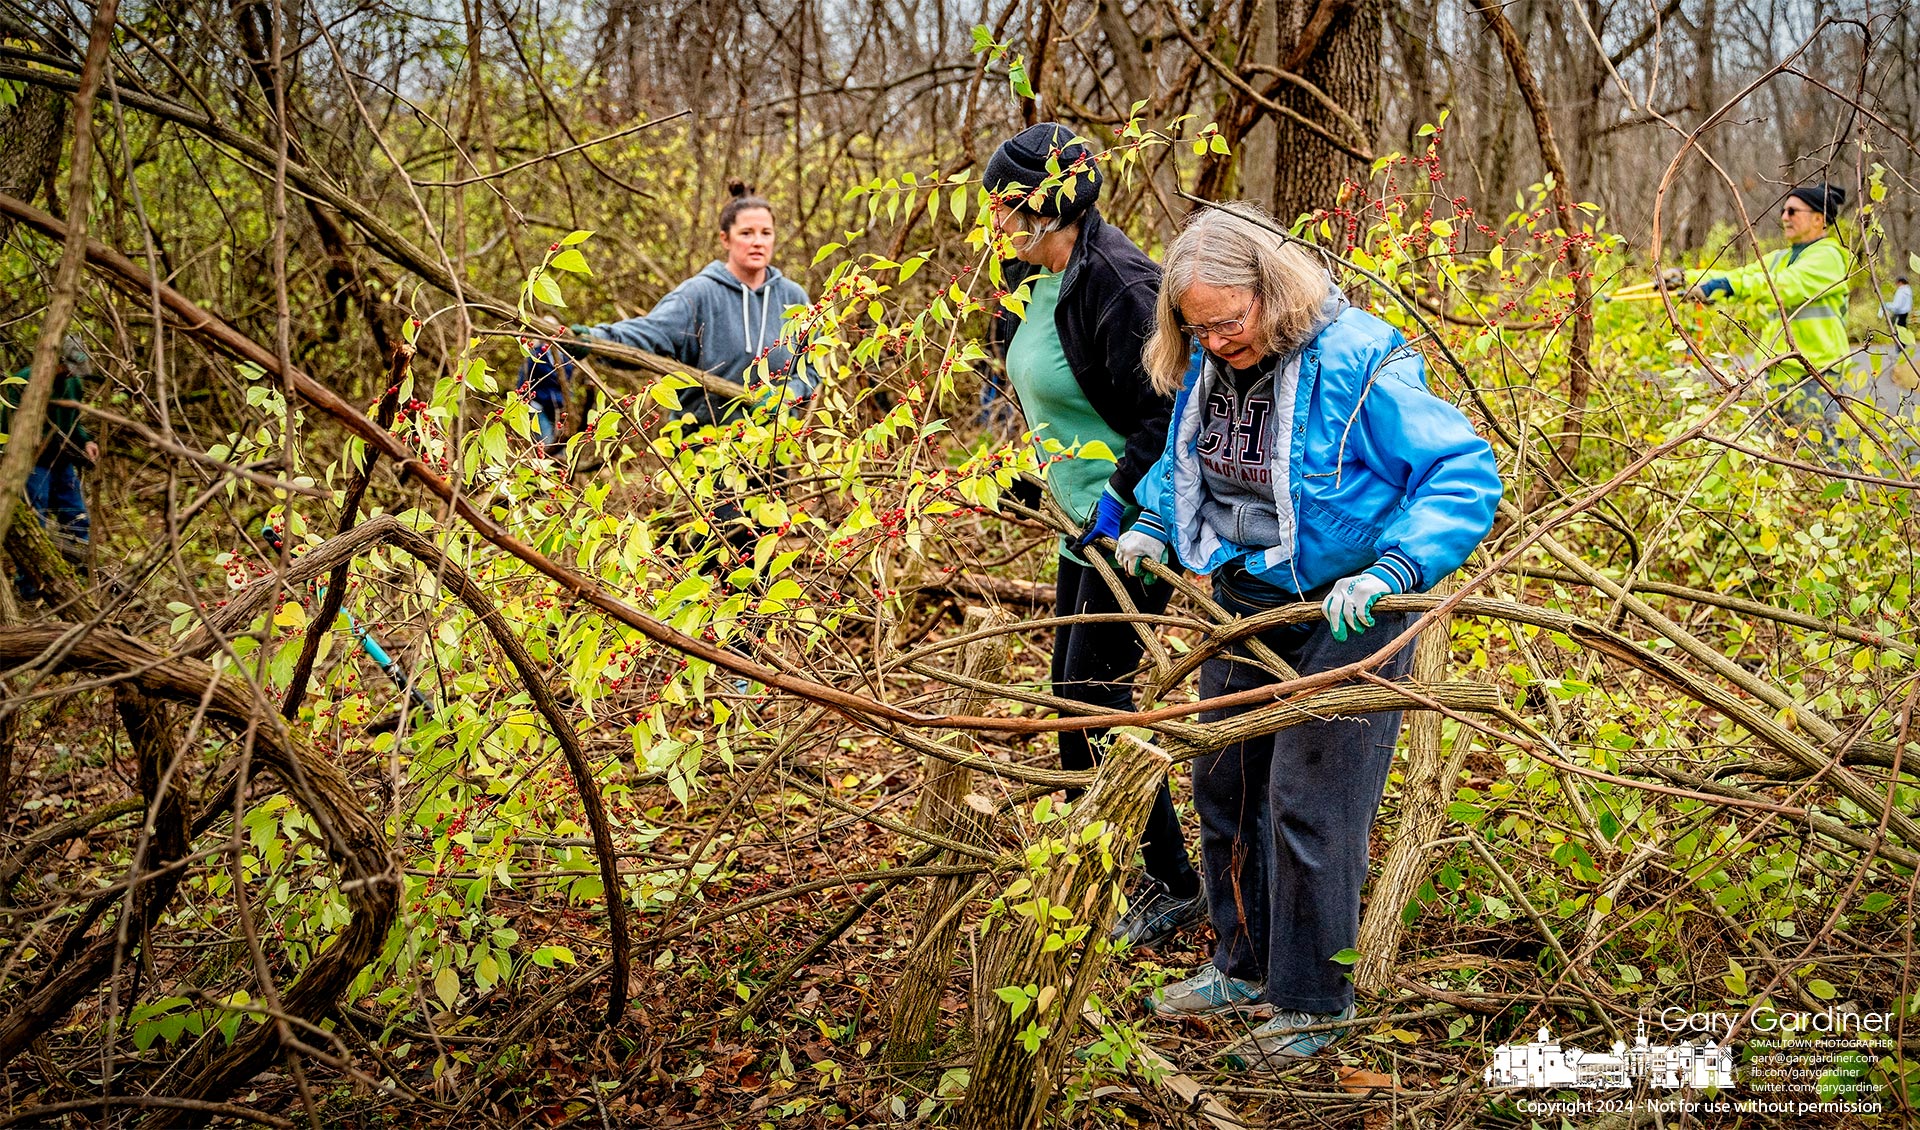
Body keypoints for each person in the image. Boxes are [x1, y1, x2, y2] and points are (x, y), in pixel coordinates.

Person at [1116, 203, 1500, 1065]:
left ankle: (1315, 1000)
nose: (1215, 341)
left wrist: (1394, 569)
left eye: (1228, 321)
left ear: (1270, 290)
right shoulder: (1212, 366)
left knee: (1310, 804)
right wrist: (1153, 524)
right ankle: (1242, 966)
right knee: (1226, 784)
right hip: (1245, 598)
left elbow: (1459, 468)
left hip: (1353, 607)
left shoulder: (1358, 357)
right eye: (1198, 328)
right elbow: (1190, 463)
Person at [983, 122, 1202, 950]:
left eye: (1009, 202)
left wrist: (1118, 497)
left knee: (1094, 702)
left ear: (1051, 201)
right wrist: (1028, 469)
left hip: (1136, 523)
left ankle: (1171, 882)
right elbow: (1038, 383)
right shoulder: (1030, 274)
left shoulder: (1118, 281)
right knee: (1072, 704)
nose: (998, 219)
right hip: (1079, 521)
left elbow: (1166, 413)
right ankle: (1107, 871)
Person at [570, 180, 815, 427]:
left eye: (766, 233)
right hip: (701, 447)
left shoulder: (793, 298)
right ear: (725, 239)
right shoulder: (699, 294)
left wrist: (788, 395)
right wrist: (596, 339)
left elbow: (811, 369)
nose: (758, 242)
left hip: (771, 451)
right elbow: (650, 333)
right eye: (746, 233)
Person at [1684, 184, 1854, 434]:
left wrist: (1725, 286)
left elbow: (1781, 286)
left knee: (1820, 466)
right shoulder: (1780, 258)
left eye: (1793, 211)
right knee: (1769, 462)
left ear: (1819, 218)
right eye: (1784, 210)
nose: (1784, 217)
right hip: (1776, 378)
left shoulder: (1828, 257)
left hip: (1815, 379)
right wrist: (1687, 278)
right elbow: (1741, 276)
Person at [5, 334, 99, 576]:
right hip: (31, 465)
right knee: (35, 525)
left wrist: (85, 441)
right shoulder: (24, 382)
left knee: (77, 517)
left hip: (62, 461)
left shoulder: (74, 385)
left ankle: (82, 577)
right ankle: (30, 586)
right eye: (66, 367)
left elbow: (73, 422)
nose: (69, 373)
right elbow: (6, 426)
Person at [516, 338, 573, 448]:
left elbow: (568, 380)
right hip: (539, 404)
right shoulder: (535, 355)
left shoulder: (565, 356)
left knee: (560, 441)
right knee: (546, 441)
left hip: (559, 405)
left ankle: (560, 464)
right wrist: (521, 400)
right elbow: (524, 378)